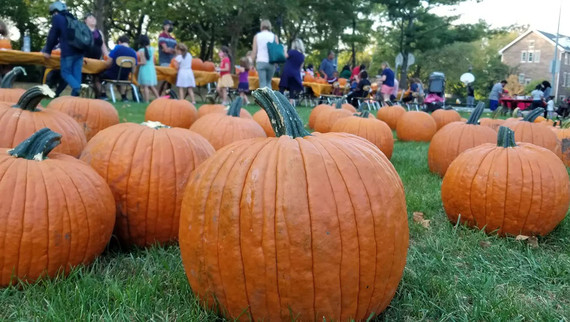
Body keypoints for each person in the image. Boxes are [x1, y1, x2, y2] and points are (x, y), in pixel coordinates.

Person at [42, 1, 84, 97]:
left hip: (68, 51)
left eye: (53, 13)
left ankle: (78, 89)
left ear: (55, 11)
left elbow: (53, 35)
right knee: (76, 75)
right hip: (79, 51)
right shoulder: (73, 19)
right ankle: (75, 98)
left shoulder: (58, 18)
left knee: (65, 73)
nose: (53, 15)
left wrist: (48, 50)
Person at [94, 35, 137, 101]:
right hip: (125, 77)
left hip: (113, 75)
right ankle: (124, 97)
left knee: (96, 76)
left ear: (119, 42)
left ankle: (103, 95)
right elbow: (133, 70)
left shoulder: (117, 48)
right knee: (120, 78)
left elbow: (108, 64)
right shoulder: (134, 53)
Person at [250, 20, 278, 89]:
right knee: (268, 82)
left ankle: (262, 99)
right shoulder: (274, 36)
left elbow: (254, 51)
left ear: (261, 26)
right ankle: (270, 99)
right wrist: (276, 63)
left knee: (262, 83)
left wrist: (251, 63)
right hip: (271, 62)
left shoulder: (257, 36)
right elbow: (277, 51)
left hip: (261, 61)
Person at [279, 38, 305, 104]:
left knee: (282, 87)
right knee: (292, 89)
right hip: (295, 73)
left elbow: (285, 56)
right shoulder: (302, 56)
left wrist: (285, 50)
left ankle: (279, 101)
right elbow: (300, 67)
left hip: (287, 72)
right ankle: (291, 103)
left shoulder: (292, 52)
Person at [136, 35, 159, 103]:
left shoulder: (141, 50)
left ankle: (147, 101)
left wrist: (136, 63)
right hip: (151, 69)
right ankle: (158, 98)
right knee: (151, 86)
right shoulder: (152, 49)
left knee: (145, 87)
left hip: (145, 69)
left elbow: (143, 62)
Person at [158, 20, 177, 95]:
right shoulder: (161, 36)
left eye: (171, 25)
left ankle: (168, 94)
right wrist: (171, 50)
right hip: (164, 61)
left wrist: (169, 50)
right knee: (165, 78)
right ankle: (158, 94)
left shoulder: (173, 39)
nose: (171, 27)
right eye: (169, 25)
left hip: (172, 61)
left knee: (170, 79)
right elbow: (165, 50)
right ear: (164, 26)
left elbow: (177, 50)